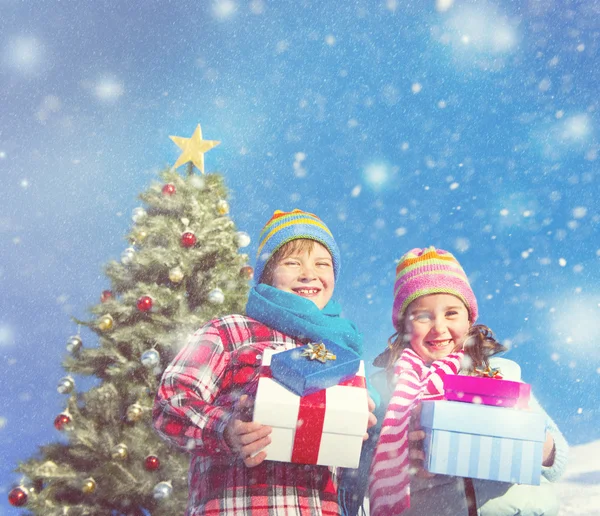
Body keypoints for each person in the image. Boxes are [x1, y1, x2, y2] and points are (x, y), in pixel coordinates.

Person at [153, 208, 376, 516]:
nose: (309, 273)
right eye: (292, 262)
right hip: (236, 506)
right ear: (268, 273)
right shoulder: (231, 331)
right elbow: (171, 401)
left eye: (321, 263)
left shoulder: (339, 353)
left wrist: (352, 423)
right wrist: (227, 430)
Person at [341, 247, 568, 516]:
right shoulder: (385, 391)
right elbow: (353, 478)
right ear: (403, 326)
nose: (439, 327)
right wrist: (402, 457)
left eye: (451, 313)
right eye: (423, 316)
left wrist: (531, 437)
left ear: (469, 319)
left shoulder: (499, 373)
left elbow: (557, 462)